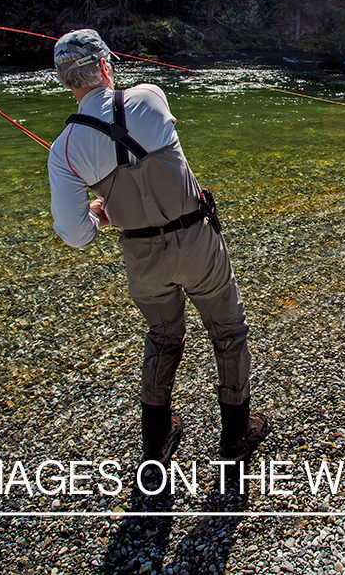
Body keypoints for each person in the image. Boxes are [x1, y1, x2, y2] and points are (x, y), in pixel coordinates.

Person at [46, 28, 269, 467]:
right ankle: (237, 434)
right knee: (228, 331)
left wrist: (99, 212)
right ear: (107, 66)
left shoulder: (64, 150)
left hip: (143, 256)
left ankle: (157, 438)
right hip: (197, 243)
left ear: (64, 82)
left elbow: (77, 234)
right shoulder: (149, 96)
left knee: (163, 338)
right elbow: (147, 158)